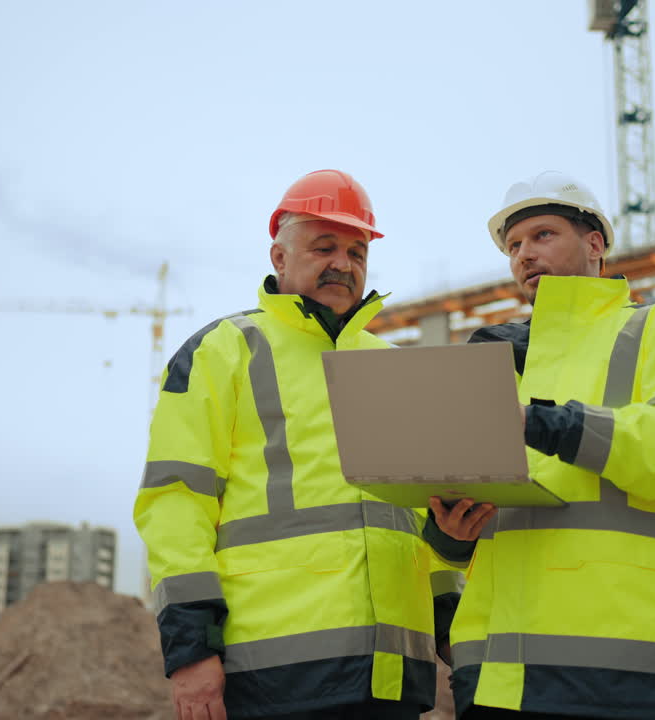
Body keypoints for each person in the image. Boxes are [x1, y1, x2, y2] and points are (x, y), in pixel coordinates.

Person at [134, 169, 459, 720]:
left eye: (357, 251)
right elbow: (175, 505)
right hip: (269, 674)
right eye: (324, 246)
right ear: (279, 258)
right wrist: (191, 652)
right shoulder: (224, 351)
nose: (344, 263)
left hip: (392, 676)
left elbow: (416, 519)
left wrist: (457, 636)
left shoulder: (393, 367)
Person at [428, 171, 655, 720]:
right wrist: (450, 537)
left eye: (543, 235)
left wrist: (549, 425)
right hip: (500, 676)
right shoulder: (492, 358)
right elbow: (469, 528)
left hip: (626, 672)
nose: (524, 254)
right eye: (514, 245)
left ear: (595, 243)